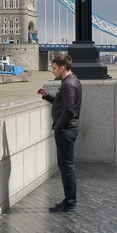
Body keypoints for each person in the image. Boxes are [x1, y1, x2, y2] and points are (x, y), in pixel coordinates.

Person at [37, 53, 81, 212]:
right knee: (65, 166)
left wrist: (58, 127)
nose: (52, 71)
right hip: (69, 129)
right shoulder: (73, 80)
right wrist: (48, 96)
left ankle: (70, 203)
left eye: (54, 68)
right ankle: (68, 200)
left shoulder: (68, 84)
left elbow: (69, 110)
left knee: (66, 167)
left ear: (63, 68)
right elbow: (64, 103)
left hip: (66, 130)